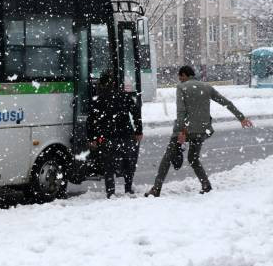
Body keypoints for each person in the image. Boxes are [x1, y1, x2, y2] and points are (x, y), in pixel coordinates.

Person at [145, 65, 253, 197]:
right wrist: (241, 118)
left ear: (184, 75)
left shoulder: (181, 87)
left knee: (167, 158)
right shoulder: (206, 87)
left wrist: (181, 131)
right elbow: (226, 102)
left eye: (180, 77)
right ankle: (206, 184)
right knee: (193, 158)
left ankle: (156, 188)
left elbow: (181, 111)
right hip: (202, 131)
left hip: (185, 129)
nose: (179, 80)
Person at [88, 71, 144, 197]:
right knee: (129, 162)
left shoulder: (98, 100)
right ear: (113, 83)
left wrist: (92, 139)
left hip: (106, 137)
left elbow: (90, 121)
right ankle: (128, 188)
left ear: (101, 85)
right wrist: (138, 131)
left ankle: (110, 192)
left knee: (108, 166)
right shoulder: (123, 96)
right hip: (126, 135)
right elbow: (136, 113)